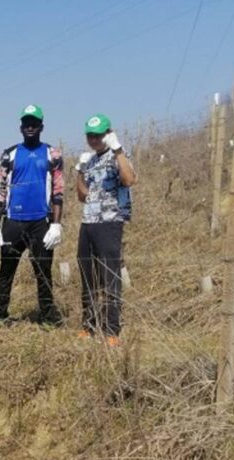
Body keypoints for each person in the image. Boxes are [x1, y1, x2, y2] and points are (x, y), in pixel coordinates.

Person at [0, 105, 64, 325]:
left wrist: (56, 224)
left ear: (41, 126)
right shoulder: (9, 153)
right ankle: (0, 315)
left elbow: (58, 191)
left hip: (40, 222)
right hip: (13, 221)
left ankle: (47, 317)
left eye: (34, 123)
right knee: (7, 269)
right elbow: (0, 190)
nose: (30, 127)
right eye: (26, 124)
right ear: (21, 127)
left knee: (43, 271)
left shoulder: (53, 154)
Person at [75, 114, 136, 346]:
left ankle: (112, 329)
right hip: (88, 222)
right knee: (87, 274)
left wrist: (118, 150)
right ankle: (89, 325)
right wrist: (80, 171)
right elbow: (82, 196)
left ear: (108, 133)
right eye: (90, 135)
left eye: (99, 134)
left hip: (110, 222)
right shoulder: (89, 161)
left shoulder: (118, 155)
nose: (94, 139)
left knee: (110, 275)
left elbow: (129, 180)